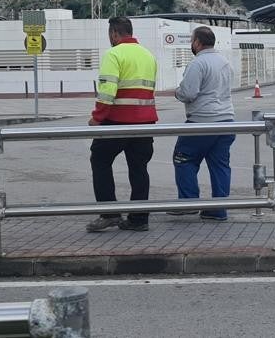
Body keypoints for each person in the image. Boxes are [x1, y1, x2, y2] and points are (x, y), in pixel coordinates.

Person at [86, 17, 158, 233]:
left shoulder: (114, 54)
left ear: (114, 34)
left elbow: (107, 91)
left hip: (117, 122)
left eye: (111, 34)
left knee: (99, 160)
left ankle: (109, 213)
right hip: (145, 122)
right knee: (139, 169)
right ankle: (139, 219)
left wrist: (97, 118)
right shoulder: (148, 55)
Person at [168, 26, 236, 220]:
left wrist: (177, 92)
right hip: (227, 121)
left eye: (192, 40)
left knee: (183, 158)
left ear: (197, 42)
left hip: (202, 121)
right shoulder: (225, 62)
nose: (192, 44)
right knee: (220, 165)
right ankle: (218, 209)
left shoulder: (198, 63)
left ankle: (188, 202)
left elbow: (188, 93)